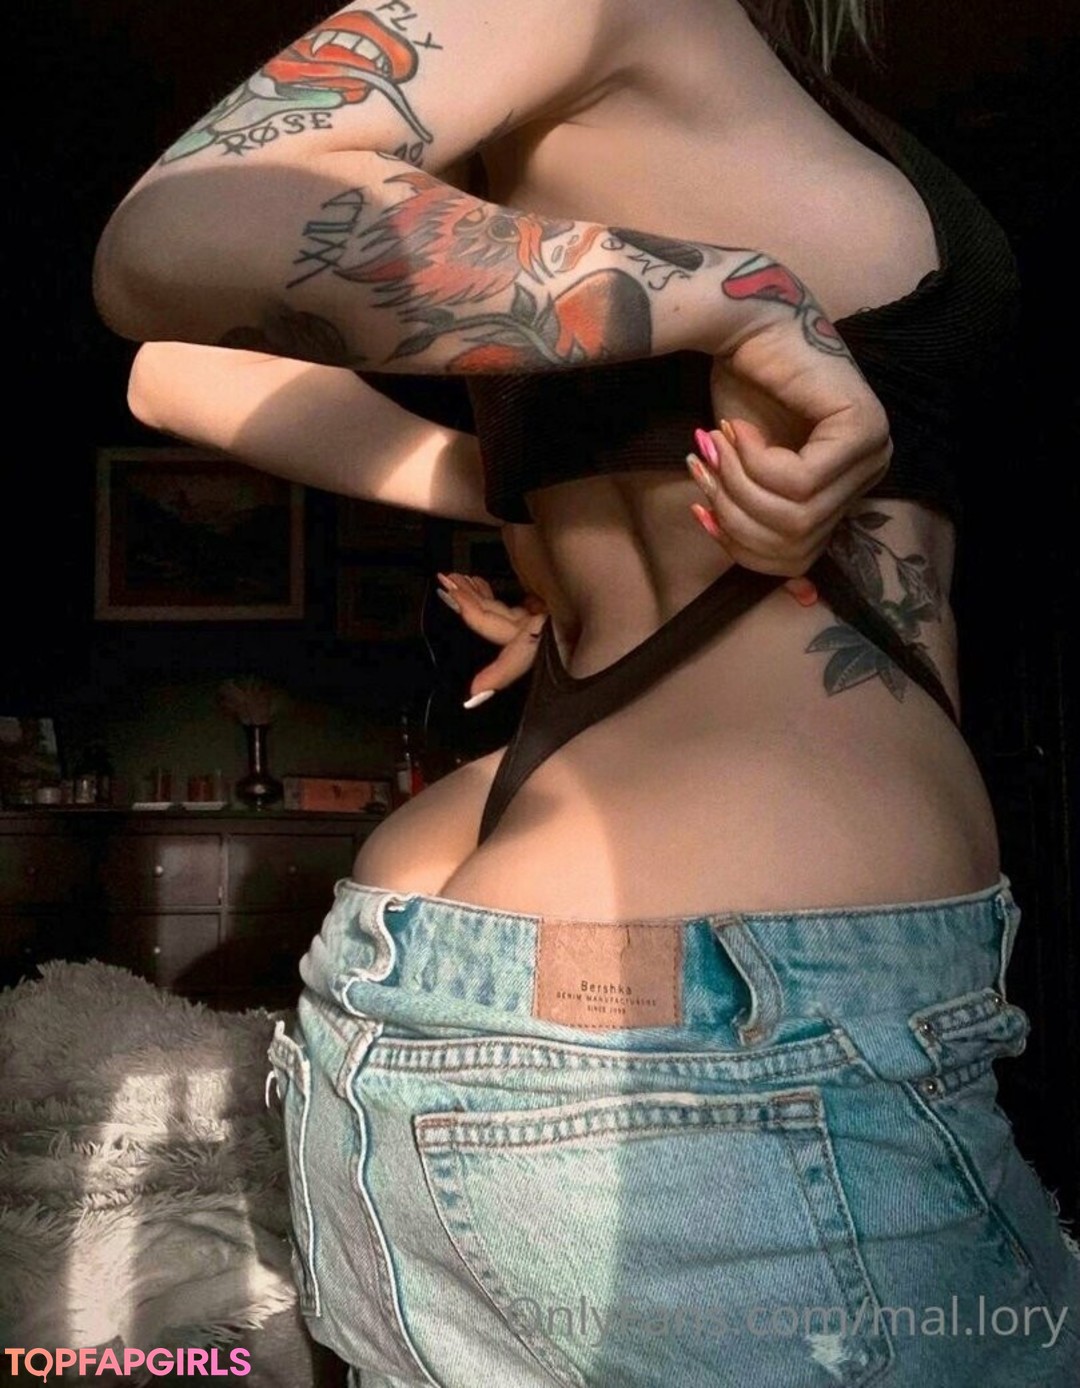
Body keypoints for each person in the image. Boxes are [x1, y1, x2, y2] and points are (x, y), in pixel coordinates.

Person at [96, 1, 1080, 1383]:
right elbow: (176, 238)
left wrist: (513, 490)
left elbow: (174, 379)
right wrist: (737, 295)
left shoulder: (663, 87)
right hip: (720, 1029)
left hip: (595, 995)